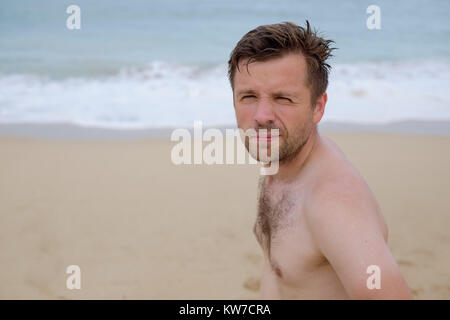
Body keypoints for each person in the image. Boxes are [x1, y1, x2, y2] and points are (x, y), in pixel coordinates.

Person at [227, 21, 412, 299]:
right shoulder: (284, 159)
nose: (262, 115)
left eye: (283, 98)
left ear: (318, 108)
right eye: (249, 96)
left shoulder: (333, 205)